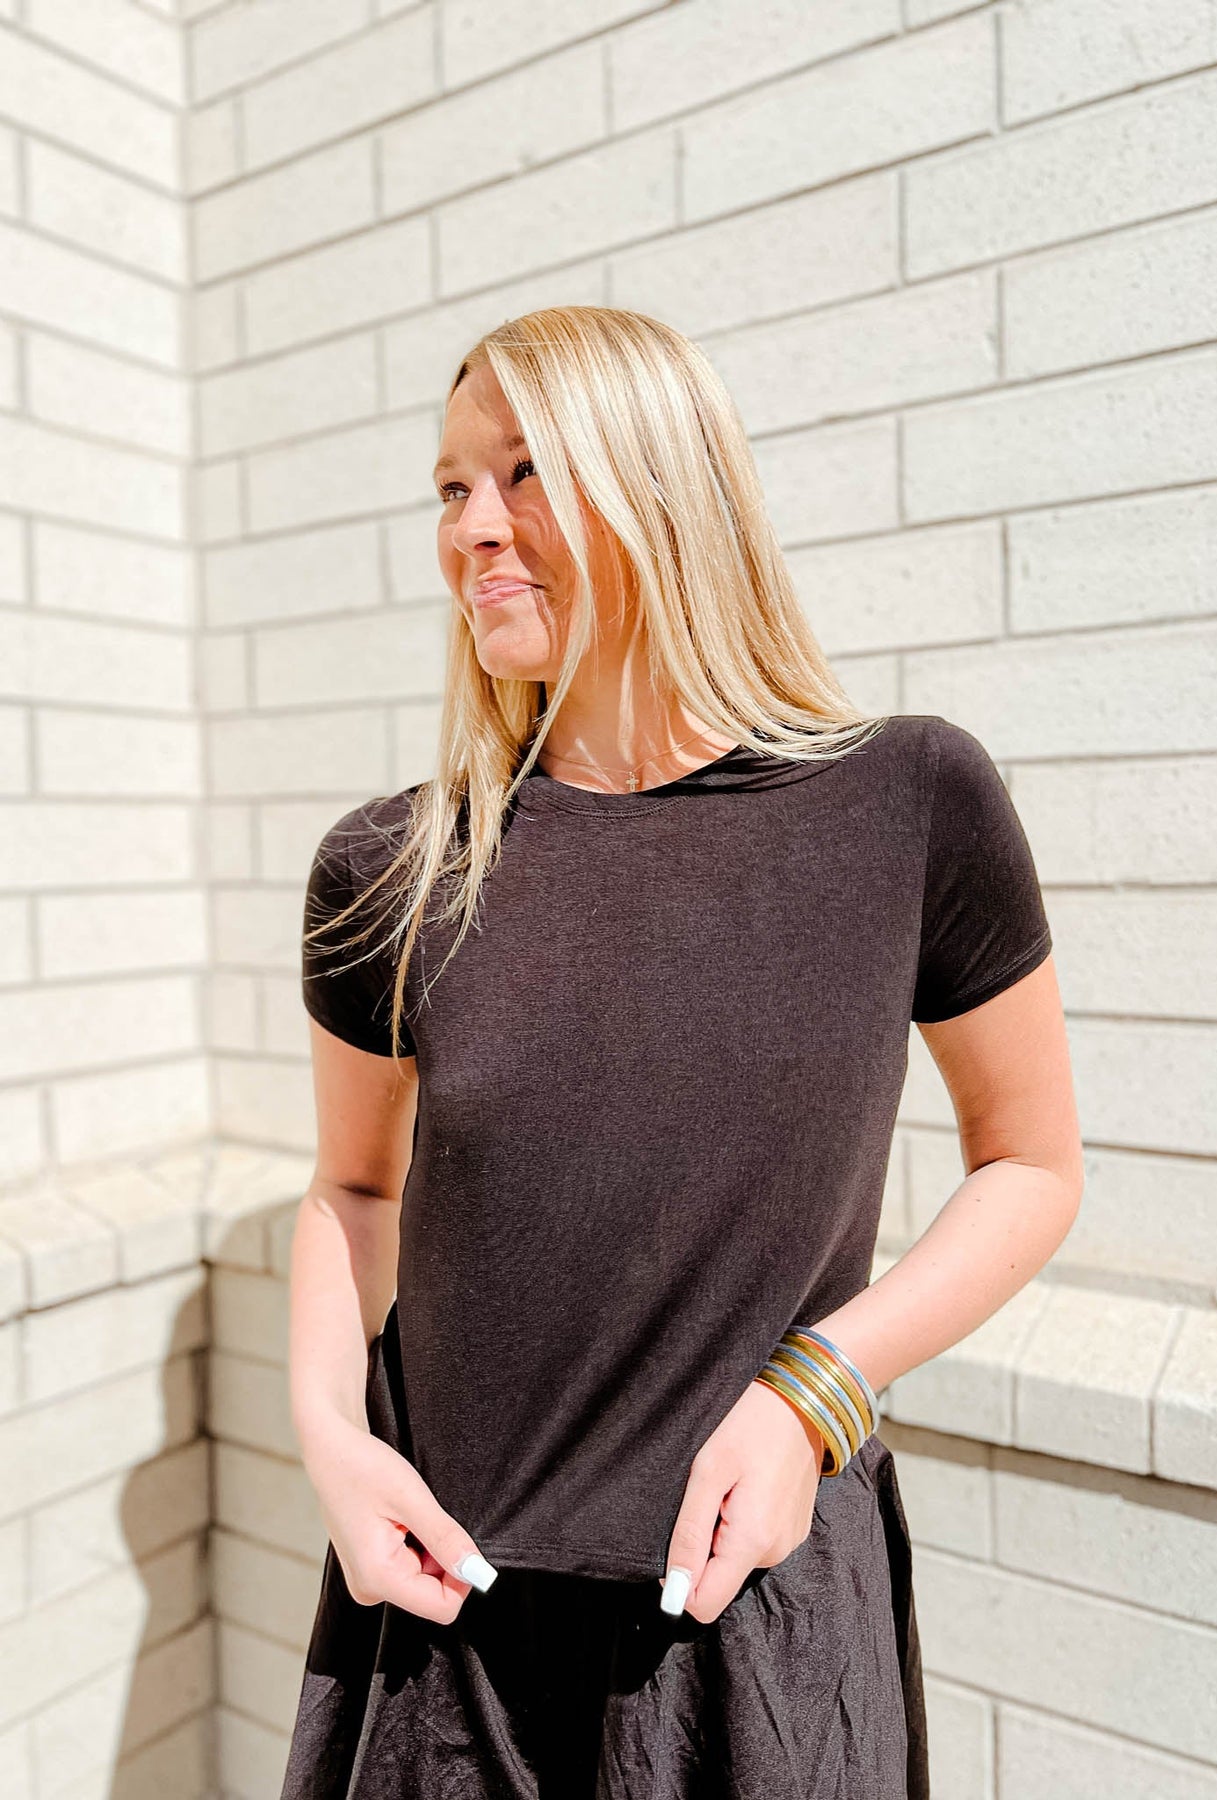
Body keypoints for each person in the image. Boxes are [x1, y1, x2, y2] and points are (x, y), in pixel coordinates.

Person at [280, 305, 1083, 1800]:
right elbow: (354, 1189)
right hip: (445, 1633)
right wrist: (329, 1437)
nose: (471, 528)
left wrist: (816, 1393)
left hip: (749, 1629)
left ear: (658, 480)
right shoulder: (393, 866)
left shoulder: (906, 802)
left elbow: (1030, 1163)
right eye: (450, 488)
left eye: (523, 471)